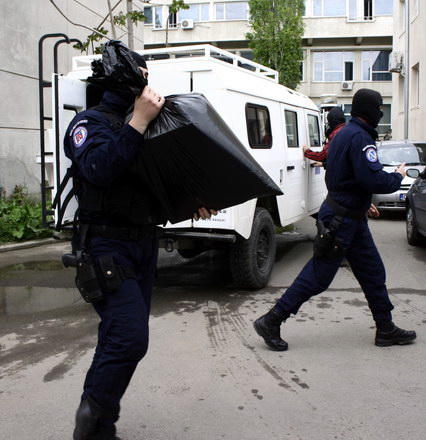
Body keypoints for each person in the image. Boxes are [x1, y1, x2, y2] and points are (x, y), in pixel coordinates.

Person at [65, 46, 215, 440]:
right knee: (129, 338)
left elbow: (154, 185)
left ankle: (99, 426)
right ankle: (92, 421)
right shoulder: (89, 122)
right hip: (105, 246)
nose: (147, 83)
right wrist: (137, 123)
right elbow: (99, 169)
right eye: (142, 75)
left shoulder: (148, 124)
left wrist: (192, 202)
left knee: (117, 337)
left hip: (144, 244)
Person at [254, 88, 416, 352]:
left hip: (350, 217)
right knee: (318, 276)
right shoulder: (360, 138)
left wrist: (360, 203)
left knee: (373, 272)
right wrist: (398, 176)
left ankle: (385, 328)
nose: (380, 113)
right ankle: (271, 320)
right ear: (369, 110)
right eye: (378, 108)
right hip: (341, 221)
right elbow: (372, 179)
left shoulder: (344, 134)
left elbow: (343, 176)